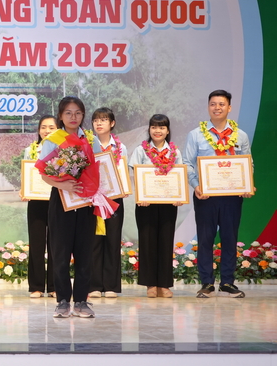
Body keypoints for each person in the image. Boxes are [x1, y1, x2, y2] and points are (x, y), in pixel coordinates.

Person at [184, 90, 254, 298]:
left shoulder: (241, 136)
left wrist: (247, 184)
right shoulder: (195, 135)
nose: (217, 108)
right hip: (205, 196)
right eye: (213, 104)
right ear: (208, 107)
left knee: (230, 238)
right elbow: (188, 163)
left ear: (229, 108)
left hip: (232, 197)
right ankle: (207, 282)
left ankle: (227, 282)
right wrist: (196, 185)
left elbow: (248, 163)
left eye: (221, 104)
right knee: (205, 239)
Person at [38, 96, 95, 318]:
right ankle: (62, 301)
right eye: (69, 113)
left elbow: (99, 168)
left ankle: (81, 301)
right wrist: (63, 184)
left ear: (83, 115)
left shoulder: (90, 139)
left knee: (84, 253)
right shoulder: (53, 140)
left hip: (86, 201)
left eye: (78, 113)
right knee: (60, 253)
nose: (74, 117)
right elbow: (44, 173)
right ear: (61, 116)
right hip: (61, 200)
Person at [128, 114, 183, 298]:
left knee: (166, 242)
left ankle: (164, 285)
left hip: (168, 204)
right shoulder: (140, 150)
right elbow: (134, 176)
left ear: (167, 130)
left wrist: (179, 196)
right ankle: (150, 284)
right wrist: (140, 196)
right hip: (146, 204)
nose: (157, 131)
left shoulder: (174, 152)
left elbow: (179, 175)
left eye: (161, 127)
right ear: (149, 129)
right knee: (147, 242)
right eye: (154, 127)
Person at [88, 107, 128, 299]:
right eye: (96, 120)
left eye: (104, 120)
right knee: (94, 241)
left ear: (112, 123)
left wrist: (124, 188)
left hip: (114, 198)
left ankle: (111, 285)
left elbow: (123, 172)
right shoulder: (88, 145)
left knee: (112, 239)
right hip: (93, 199)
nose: (99, 123)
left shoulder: (120, 148)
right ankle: (94, 285)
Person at [22, 115, 57, 298]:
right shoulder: (30, 150)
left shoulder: (63, 150)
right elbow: (26, 174)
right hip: (36, 200)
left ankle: (54, 286)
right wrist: (24, 190)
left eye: (51, 127)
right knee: (36, 243)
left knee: (56, 244)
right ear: (38, 130)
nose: (47, 131)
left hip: (56, 200)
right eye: (43, 127)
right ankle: (36, 286)